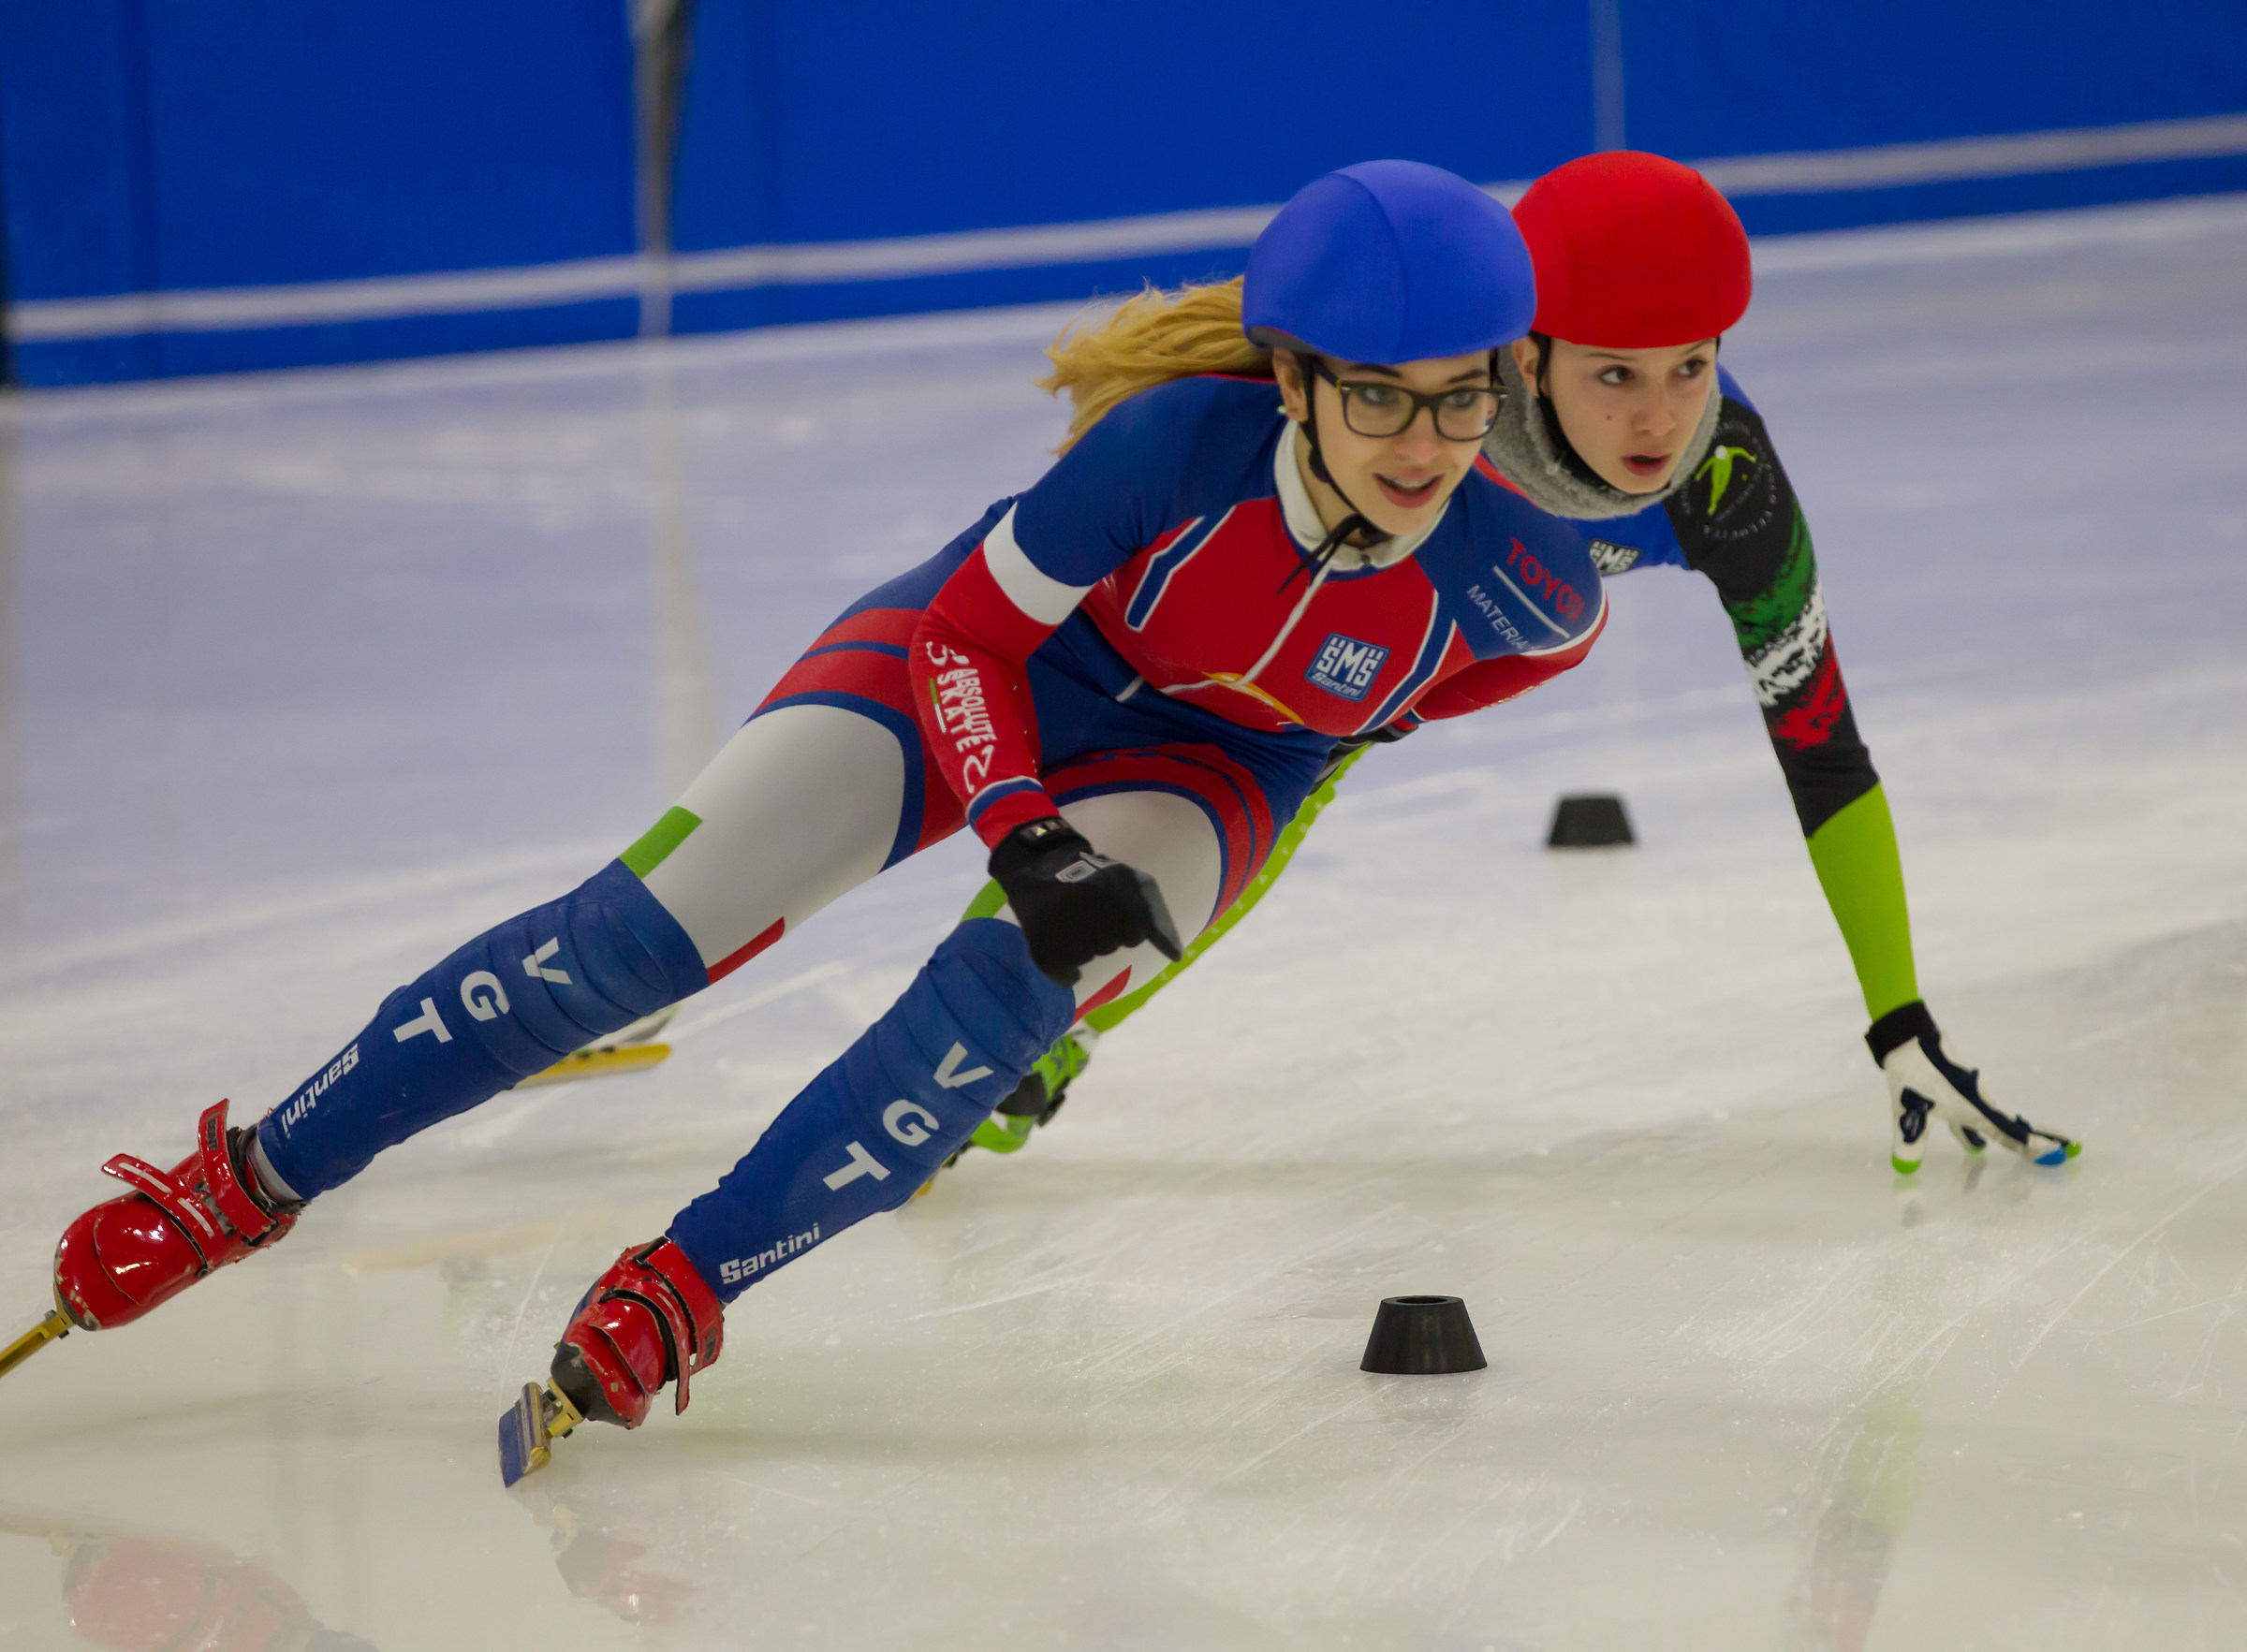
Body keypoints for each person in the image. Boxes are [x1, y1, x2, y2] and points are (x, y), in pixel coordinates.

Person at [34, 161, 1608, 1459]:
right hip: (990, 667)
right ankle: (246, 1177)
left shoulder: (1521, 569)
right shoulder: (1167, 454)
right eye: (1384, 403)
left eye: (1462, 403)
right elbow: (971, 641)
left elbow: (1493, 668)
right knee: (620, 951)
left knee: (988, 1014)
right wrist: (1025, 830)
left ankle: (684, 1287)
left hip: (1215, 768)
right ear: (1290, 381)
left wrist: (1315, 738)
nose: (1428, 449)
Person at [944, 151, 2077, 1181]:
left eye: (1694, 368)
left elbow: (1823, 747)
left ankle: (1050, 1039)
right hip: (1256, 591)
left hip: (1439, 637)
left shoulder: (1729, 488)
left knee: (1282, 786)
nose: (1663, 423)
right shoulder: (1430, 400)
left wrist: (1899, 1020)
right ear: (1523, 357)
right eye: (1616, 375)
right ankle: (993, 1005)